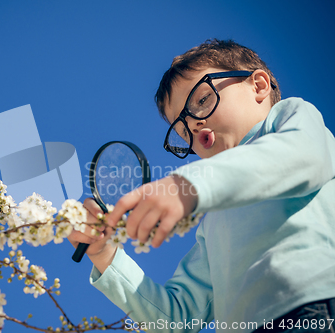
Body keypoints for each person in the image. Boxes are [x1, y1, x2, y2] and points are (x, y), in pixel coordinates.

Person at [68, 39, 335, 332]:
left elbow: (299, 156)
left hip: (315, 309)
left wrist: (189, 184)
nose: (192, 125)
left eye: (202, 100)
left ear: (259, 86)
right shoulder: (213, 223)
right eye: (181, 129)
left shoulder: (290, 119)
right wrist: (105, 254)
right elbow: (177, 318)